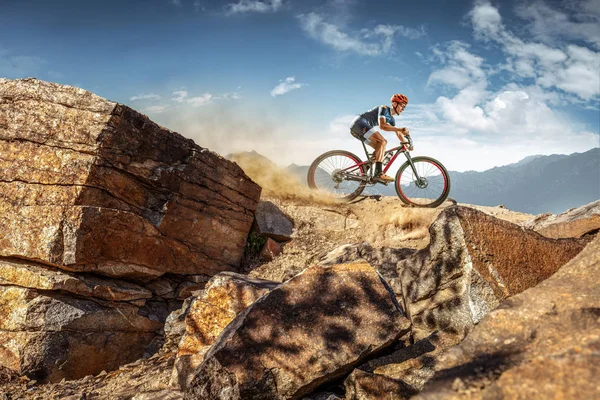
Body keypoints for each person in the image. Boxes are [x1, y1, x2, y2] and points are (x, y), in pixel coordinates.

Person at [349, 93, 410, 182]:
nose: (403, 109)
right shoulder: (384, 108)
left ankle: (364, 169)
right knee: (383, 142)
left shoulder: (392, 119)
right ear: (394, 104)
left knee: (380, 150)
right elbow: (382, 126)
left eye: (404, 107)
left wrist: (406, 144)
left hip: (359, 129)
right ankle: (378, 173)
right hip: (359, 123)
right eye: (402, 105)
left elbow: (398, 132)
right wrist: (401, 129)